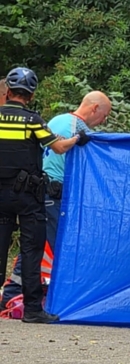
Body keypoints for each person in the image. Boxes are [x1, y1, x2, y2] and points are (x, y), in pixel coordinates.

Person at [0, 91, 111, 306]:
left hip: (41, 192)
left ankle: (13, 292)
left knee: (35, 245)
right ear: (95, 108)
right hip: (55, 194)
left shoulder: (57, 120)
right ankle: (62, 297)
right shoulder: (79, 129)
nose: (103, 121)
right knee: (61, 247)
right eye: (104, 115)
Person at [0, 67, 89, 324]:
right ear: (31, 95)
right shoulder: (33, 121)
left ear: (8, 92)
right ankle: (32, 310)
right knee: (31, 250)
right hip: (28, 197)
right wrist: (77, 139)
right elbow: (59, 147)